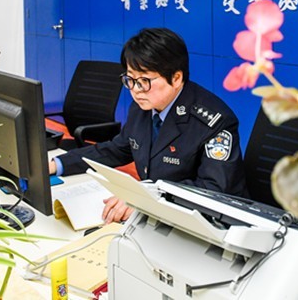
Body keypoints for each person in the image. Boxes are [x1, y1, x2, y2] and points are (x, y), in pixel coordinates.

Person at [50, 27, 247, 223]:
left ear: (176, 78)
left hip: (213, 223)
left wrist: (145, 199)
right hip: (159, 217)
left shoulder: (214, 122)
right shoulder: (143, 106)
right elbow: (118, 149)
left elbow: (213, 190)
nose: (136, 90)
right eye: (130, 79)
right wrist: (57, 164)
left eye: (144, 80)